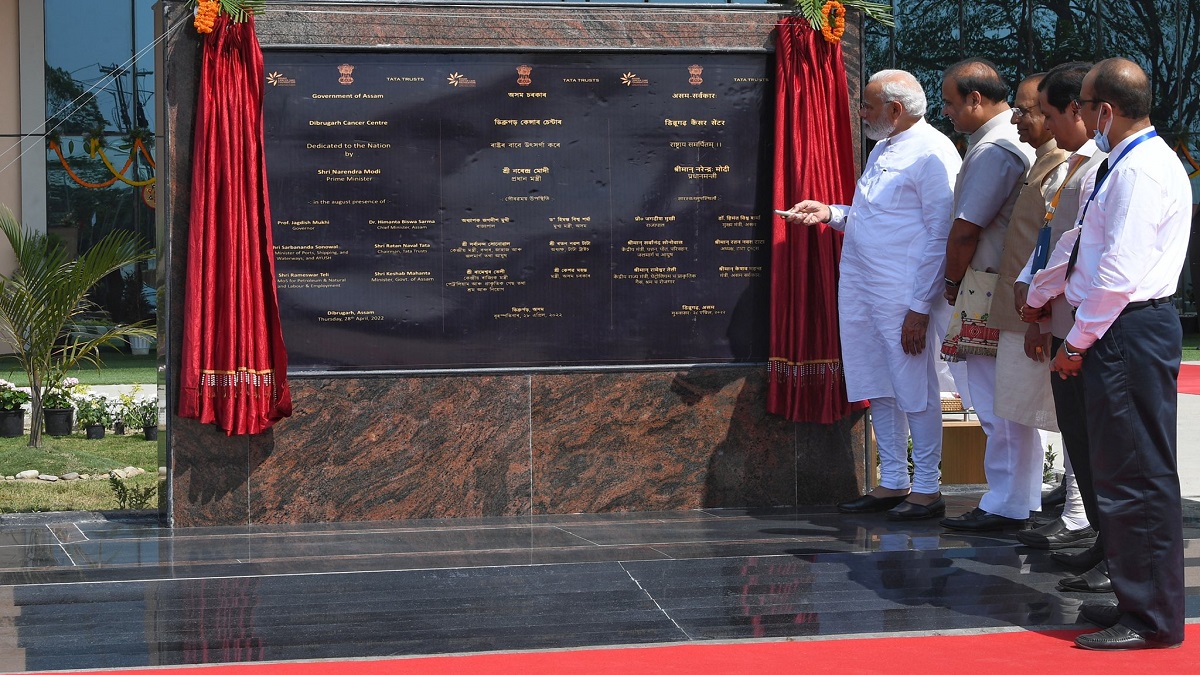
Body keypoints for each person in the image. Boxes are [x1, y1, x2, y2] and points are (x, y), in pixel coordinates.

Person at [1022, 57, 1189, 650]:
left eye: (1085, 106)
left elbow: (1117, 275)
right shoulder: (1124, 164)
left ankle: (1151, 617)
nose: (1080, 115)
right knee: (1120, 471)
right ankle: (1134, 595)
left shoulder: (1140, 171)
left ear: (1106, 110)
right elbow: (1083, 246)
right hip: (1119, 327)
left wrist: (1077, 341)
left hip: (1126, 328)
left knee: (1136, 476)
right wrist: (1041, 291)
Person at [782, 70, 960, 521]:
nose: (861, 112)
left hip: (903, 294)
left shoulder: (934, 151)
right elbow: (875, 217)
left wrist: (920, 307)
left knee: (914, 388)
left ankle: (927, 488)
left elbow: (941, 233)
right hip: (864, 287)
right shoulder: (883, 147)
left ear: (895, 110)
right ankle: (893, 481)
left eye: (867, 105)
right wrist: (830, 213)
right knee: (878, 382)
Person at [937, 58, 1039, 532]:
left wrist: (951, 283)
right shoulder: (1000, 142)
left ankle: (1006, 503)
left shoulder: (996, 148)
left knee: (997, 403)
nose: (946, 112)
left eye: (950, 103)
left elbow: (966, 230)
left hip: (986, 285)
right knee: (1005, 402)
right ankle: (1017, 498)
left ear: (976, 99)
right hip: (997, 282)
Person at [1013, 62, 1104, 555]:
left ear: (1078, 109)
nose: (1046, 125)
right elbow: (1051, 237)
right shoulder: (1076, 162)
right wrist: (1032, 292)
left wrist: (1036, 295)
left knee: (1091, 431)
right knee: (1074, 425)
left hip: (1085, 317)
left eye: (1049, 114)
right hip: (1061, 311)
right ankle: (1080, 515)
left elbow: (1074, 247)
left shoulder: (1099, 165)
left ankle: (1083, 518)